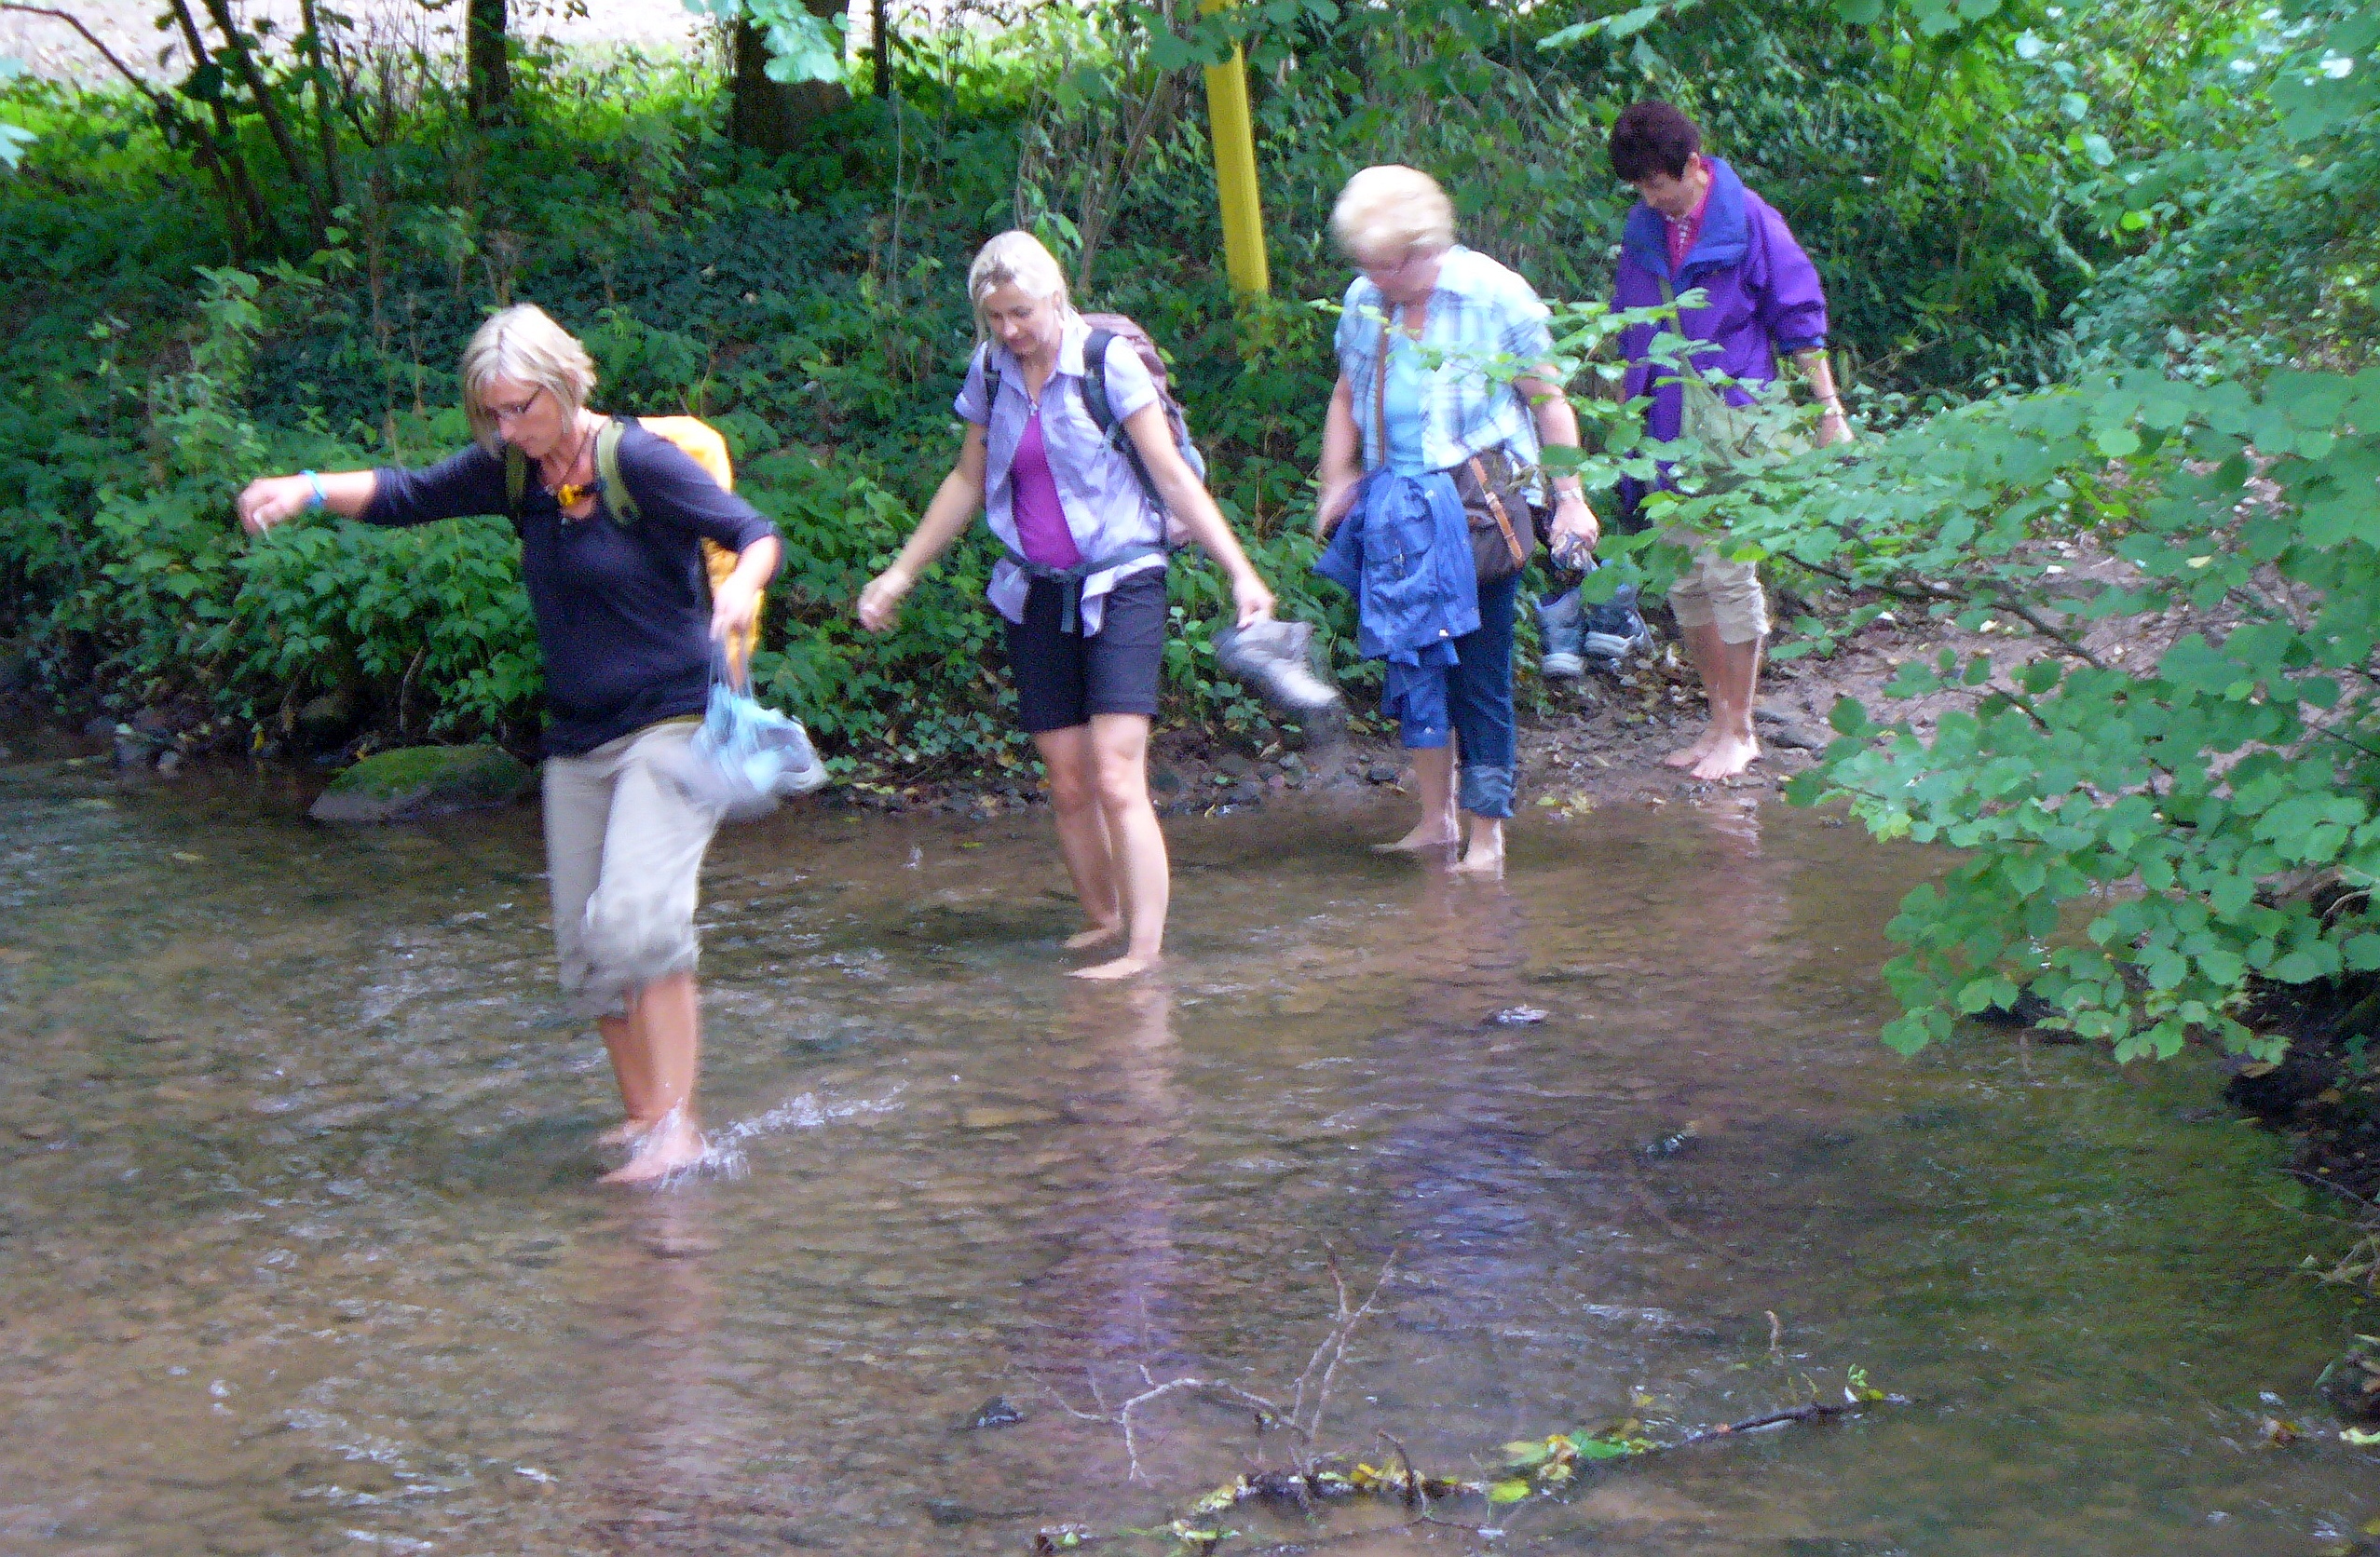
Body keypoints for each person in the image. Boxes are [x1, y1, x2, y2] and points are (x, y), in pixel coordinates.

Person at [235, 303, 783, 1184]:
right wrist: (304, 488)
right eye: (490, 413)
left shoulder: (635, 459)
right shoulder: (513, 474)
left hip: (671, 721)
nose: (505, 427)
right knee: (587, 953)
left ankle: (682, 1129)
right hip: (577, 739)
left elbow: (754, 533)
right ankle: (644, 1116)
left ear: (566, 386)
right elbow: (405, 493)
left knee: (639, 922)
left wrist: (742, 592)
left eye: (520, 408)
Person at [855, 231, 1276, 979]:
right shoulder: (991, 371)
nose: (1010, 331)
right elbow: (965, 480)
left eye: (1021, 312)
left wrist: (1240, 573)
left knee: (1117, 773)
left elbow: (1174, 479)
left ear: (1056, 296)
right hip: (1034, 589)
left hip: (1124, 580)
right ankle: (1102, 917)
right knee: (1068, 776)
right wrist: (900, 574)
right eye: (995, 319)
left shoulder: (1105, 365)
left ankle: (1142, 953)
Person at [1313, 165, 1601, 873]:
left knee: (1480, 671)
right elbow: (1347, 392)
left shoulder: (1494, 295)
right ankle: (1435, 819)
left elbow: (1548, 401)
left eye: (1386, 264)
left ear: (1422, 246)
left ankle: (1487, 834)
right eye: (1365, 265)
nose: (1375, 278)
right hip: (1396, 510)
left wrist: (1569, 496)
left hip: (1477, 508)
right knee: (1412, 663)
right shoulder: (1363, 300)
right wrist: (1337, 478)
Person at [1605, 100, 1852, 781]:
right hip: (1661, 425)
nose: (1651, 198)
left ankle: (1741, 729)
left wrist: (1828, 407)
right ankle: (1715, 720)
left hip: (1734, 422)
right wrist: (1627, 422)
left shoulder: (1748, 220)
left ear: (1691, 165)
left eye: (1658, 184)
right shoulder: (1643, 228)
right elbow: (1631, 330)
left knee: (1726, 572)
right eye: (1639, 189)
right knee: (1684, 583)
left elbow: (1798, 316)